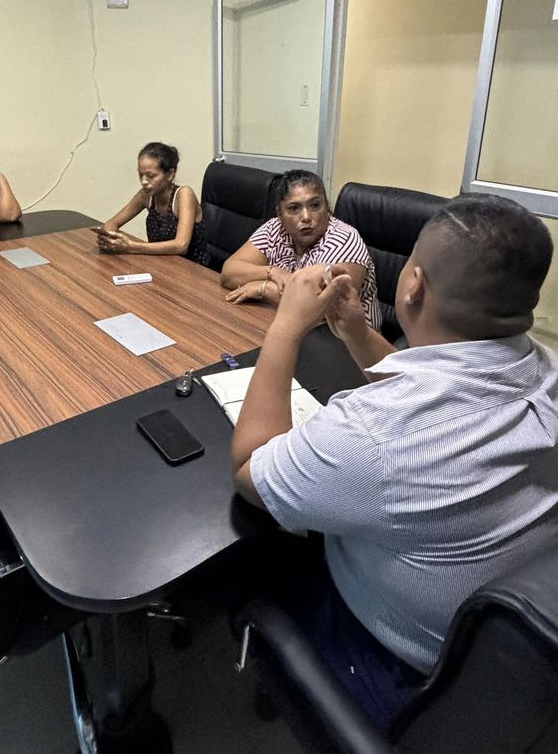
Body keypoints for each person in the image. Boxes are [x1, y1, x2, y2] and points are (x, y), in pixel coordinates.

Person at [231, 193, 558, 727]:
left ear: (413, 285)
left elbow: (250, 468)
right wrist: (357, 333)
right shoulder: (545, 370)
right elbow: (429, 385)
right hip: (498, 663)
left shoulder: (375, 434)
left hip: (397, 666)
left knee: (251, 551)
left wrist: (285, 327)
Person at [221, 169, 381, 329]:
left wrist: (265, 289)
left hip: (345, 339)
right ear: (280, 214)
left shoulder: (343, 240)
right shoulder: (274, 228)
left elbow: (323, 312)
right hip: (289, 325)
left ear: (327, 206)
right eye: (293, 208)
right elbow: (229, 273)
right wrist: (272, 272)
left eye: (315, 205)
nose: (306, 217)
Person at [95, 142, 209, 265]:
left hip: (192, 269)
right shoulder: (146, 195)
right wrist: (109, 238)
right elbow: (112, 223)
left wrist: (131, 246)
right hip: (161, 265)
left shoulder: (184, 194)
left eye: (150, 176)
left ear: (170, 175)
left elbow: (181, 245)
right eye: (140, 175)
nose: (144, 181)